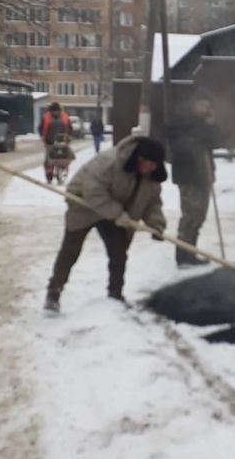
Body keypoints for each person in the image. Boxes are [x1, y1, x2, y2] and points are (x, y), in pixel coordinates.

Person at [44, 135, 167, 312]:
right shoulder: (109, 161)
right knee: (70, 251)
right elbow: (93, 192)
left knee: (119, 253)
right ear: (140, 159)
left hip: (116, 210)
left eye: (157, 164)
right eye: (151, 163)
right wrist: (117, 214)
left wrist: (156, 224)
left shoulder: (151, 174)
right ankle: (53, 293)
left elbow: (151, 201)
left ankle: (115, 294)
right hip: (83, 203)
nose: (154, 168)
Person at [167, 92, 219, 267]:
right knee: (190, 216)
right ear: (193, 105)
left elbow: (215, 142)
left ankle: (191, 252)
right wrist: (197, 139)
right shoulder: (181, 120)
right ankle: (182, 256)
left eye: (207, 106)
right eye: (202, 105)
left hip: (204, 175)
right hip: (188, 175)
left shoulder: (204, 124)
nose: (205, 109)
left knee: (199, 217)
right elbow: (178, 144)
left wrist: (211, 126)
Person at [39, 102, 71, 183]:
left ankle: (62, 171)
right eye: (54, 111)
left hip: (61, 141)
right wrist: (43, 136)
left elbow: (69, 128)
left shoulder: (65, 117)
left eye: (56, 111)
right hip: (50, 141)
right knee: (50, 159)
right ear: (51, 111)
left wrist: (69, 136)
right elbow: (41, 128)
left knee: (62, 158)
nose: (55, 112)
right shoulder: (46, 117)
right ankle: (49, 173)